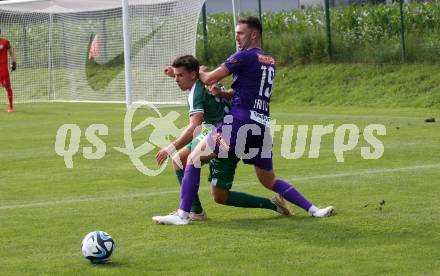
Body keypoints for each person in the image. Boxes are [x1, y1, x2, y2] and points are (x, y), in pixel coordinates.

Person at [152, 16, 334, 225]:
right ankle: (314, 210)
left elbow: (210, 77)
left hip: (238, 122)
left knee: (192, 158)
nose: (237, 38)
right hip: (260, 124)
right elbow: (242, 92)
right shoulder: (269, 60)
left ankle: (183, 215)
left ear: (254, 34)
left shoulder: (244, 56)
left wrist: (202, 72)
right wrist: (222, 93)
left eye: (240, 33)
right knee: (269, 180)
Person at [156, 55, 291, 221]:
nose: (176, 80)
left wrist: (169, 147)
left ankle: (190, 212)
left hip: (225, 136)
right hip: (225, 131)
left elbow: (194, 127)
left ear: (192, 75)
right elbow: (202, 68)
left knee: (188, 165)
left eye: (179, 76)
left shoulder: (196, 93)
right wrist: (176, 73)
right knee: (215, 192)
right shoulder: (205, 79)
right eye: (175, 76)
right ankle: (196, 211)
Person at [0, 29, 16, 113]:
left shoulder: (5, 42)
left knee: (7, 86)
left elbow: (11, 52)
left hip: (3, 69)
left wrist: (13, 62)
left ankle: (10, 106)